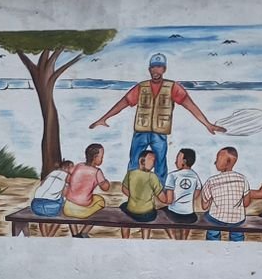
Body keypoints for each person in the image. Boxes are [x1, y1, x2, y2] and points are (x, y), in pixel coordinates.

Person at [89, 52, 225, 187]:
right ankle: (131, 187)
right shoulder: (141, 87)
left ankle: (160, 190)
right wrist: (104, 118)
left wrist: (207, 124)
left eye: (159, 67)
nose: (155, 70)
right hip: (141, 132)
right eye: (153, 67)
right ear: (149, 69)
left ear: (164, 69)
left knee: (160, 162)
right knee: (135, 160)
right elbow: (123, 103)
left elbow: (190, 105)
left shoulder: (173, 87)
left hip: (160, 133)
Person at [198, 146, 251, 242]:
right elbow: (246, 203)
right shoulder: (243, 179)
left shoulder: (211, 181)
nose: (215, 162)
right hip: (237, 220)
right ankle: (238, 244)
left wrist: (212, 198)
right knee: (237, 235)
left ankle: (213, 244)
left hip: (216, 219)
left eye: (217, 159)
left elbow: (204, 206)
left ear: (228, 162)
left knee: (212, 231)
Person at [63, 143, 111, 237]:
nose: (102, 159)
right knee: (100, 201)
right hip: (81, 211)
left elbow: (67, 180)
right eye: (101, 157)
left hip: (68, 207)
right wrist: (105, 182)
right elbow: (105, 188)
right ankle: (84, 232)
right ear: (95, 157)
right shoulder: (97, 172)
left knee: (75, 204)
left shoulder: (78, 166)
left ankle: (75, 233)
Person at [160, 147, 201, 224]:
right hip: (189, 215)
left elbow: (169, 200)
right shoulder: (195, 176)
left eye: (177, 159)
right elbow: (197, 192)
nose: (175, 162)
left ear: (184, 161)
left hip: (174, 214)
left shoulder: (172, 175)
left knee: (160, 212)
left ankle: (171, 232)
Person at [121, 149, 163, 223]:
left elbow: (124, 189)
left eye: (154, 161)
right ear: (142, 161)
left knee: (123, 206)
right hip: (146, 214)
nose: (153, 163)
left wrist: (135, 198)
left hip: (131, 211)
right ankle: (145, 231)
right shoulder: (152, 176)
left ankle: (125, 230)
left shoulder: (130, 173)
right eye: (151, 160)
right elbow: (162, 198)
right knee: (153, 213)